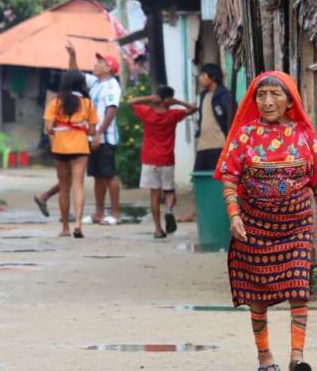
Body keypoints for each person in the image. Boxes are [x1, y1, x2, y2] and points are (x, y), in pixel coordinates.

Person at [214, 71, 317, 371]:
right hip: (255, 226)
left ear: (290, 100)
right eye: (261, 95)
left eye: (275, 95)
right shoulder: (245, 135)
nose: (267, 102)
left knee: (299, 288)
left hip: (297, 225)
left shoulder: (305, 136)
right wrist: (234, 216)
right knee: (258, 292)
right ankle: (264, 353)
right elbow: (230, 178)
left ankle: (297, 355)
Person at [34, 44, 121, 224]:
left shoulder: (112, 85)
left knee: (109, 174)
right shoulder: (97, 83)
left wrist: (99, 133)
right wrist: (73, 55)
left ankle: (115, 213)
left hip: (105, 135)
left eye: (100, 62)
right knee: (97, 175)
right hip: (91, 135)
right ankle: (98, 212)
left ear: (109, 68)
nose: (95, 65)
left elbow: (111, 111)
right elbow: (75, 76)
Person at [128, 86, 198, 238]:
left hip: (149, 159)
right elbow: (194, 109)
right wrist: (176, 102)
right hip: (166, 159)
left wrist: (147, 98)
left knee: (154, 194)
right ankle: (169, 211)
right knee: (169, 191)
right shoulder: (173, 114)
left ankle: (158, 229)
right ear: (170, 100)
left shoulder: (147, 113)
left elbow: (130, 103)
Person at [43, 70, 97, 238]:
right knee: (78, 186)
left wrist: (61, 128)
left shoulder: (55, 103)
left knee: (64, 188)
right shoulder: (87, 104)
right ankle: (78, 224)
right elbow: (93, 130)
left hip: (60, 148)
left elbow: (48, 128)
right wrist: (80, 127)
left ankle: (65, 227)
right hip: (80, 147)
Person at [194, 63, 235, 171]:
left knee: (217, 181)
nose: (200, 78)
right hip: (202, 145)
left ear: (213, 77)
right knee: (201, 179)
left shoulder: (224, 95)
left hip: (219, 145)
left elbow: (232, 118)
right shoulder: (203, 95)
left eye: (203, 75)